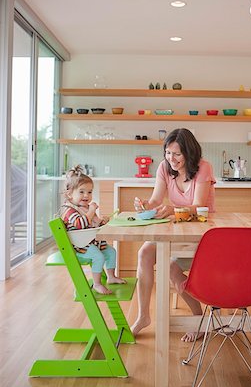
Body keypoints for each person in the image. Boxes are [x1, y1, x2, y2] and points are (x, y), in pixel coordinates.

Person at [131, 128, 216, 342]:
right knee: (145, 254)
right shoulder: (164, 168)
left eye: (177, 154)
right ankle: (143, 316)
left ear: (189, 152)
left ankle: (198, 318)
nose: (172, 159)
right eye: (168, 153)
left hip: (203, 232)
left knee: (170, 266)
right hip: (177, 230)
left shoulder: (203, 168)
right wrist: (144, 205)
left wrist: (174, 210)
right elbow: (156, 199)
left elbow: (199, 206)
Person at [60, 165, 126, 295]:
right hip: (80, 246)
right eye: (82, 192)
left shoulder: (85, 207)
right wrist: (91, 211)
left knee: (111, 251)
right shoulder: (70, 210)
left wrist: (102, 222)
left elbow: (93, 224)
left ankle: (111, 277)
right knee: (98, 257)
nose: (86, 195)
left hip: (92, 242)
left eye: (89, 192)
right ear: (69, 194)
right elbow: (80, 224)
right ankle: (97, 284)